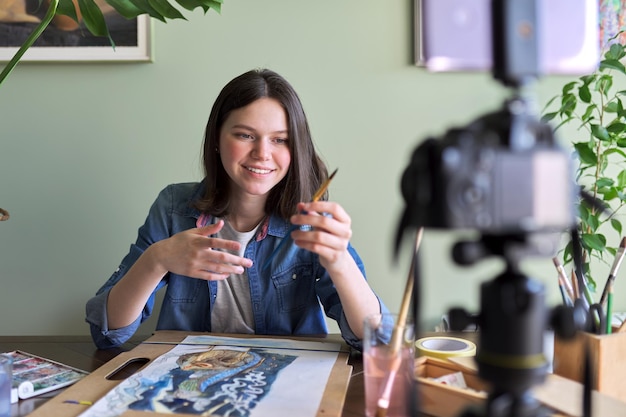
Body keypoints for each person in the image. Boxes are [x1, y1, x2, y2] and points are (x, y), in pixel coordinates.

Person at [85, 68, 391, 350]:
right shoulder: (173, 208)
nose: (262, 153)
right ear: (217, 138)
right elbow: (108, 332)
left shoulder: (312, 221)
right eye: (245, 135)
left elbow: (375, 341)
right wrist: (157, 259)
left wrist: (339, 262)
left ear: (295, 148)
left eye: (280, 140)